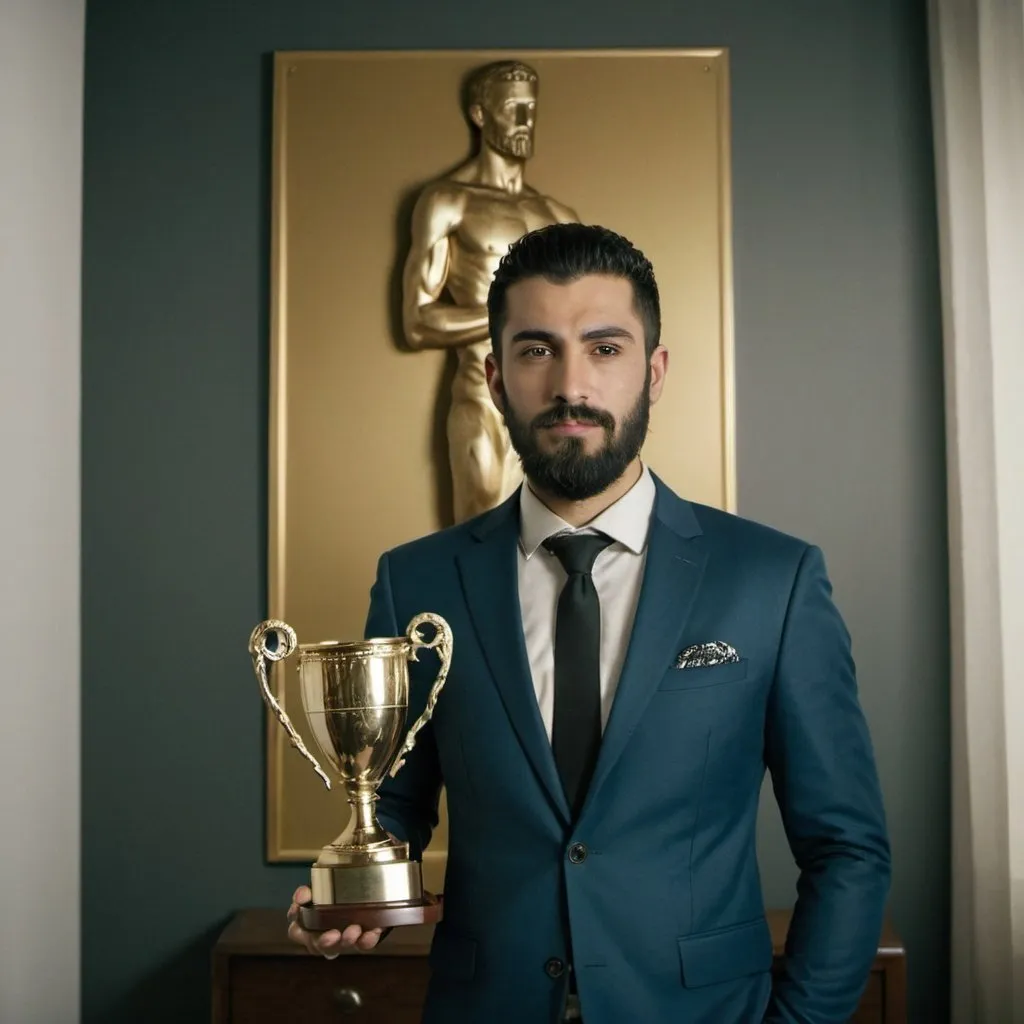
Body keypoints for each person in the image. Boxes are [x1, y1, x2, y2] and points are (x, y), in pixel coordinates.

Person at [289, 224, 892, 1023]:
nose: (571, 385)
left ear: (656, 370)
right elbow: (392, 801)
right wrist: (348, 897)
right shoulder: (417, 580)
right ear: (495, 376)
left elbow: (846, 847)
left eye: (605, 348)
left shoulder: (771, 580)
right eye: (536, 350)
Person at [401, 60, 578, 523]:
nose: (525, 121)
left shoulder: (559, 216)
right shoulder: (450, 202)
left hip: (554, 403)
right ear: (480, 114)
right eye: (512, 108)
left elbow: (583, 317)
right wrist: (514, 315)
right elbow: (418, 322)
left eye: (530, 108)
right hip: (482, 394)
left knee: (560, 538)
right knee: (479, 533)